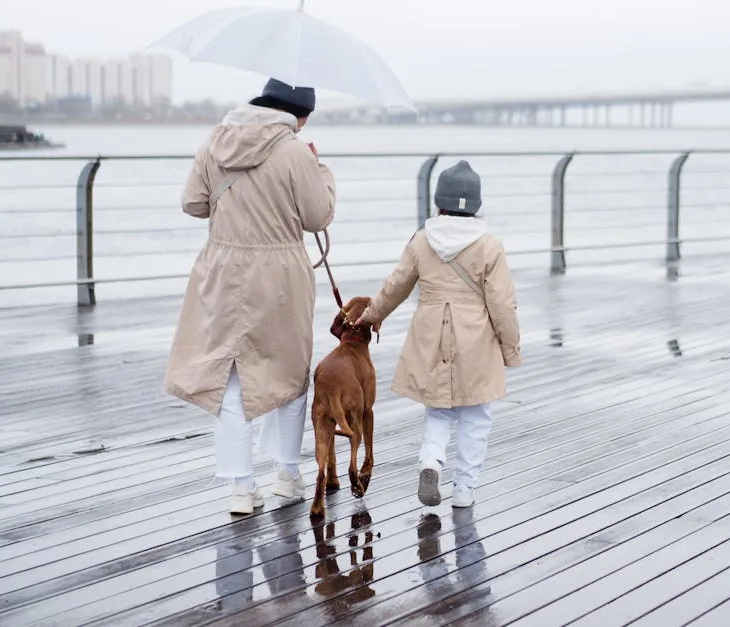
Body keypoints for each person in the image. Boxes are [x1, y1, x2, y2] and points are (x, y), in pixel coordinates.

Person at [164, 78, 337, 515]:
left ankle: (241, 487)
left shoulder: (215, 141)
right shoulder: (296, 151)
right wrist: (319, 168)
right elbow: (318, 216)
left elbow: (192, 203)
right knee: (289, 375)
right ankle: (288, 475)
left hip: (222, 270)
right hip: (280, 274)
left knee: (230, 379)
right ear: (299, 115)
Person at [356, 160, 522, 508]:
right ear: (476, 204)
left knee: (438, 410)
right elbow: (502, 304)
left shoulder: (422, 239)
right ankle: (464, 489)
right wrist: (510, 348)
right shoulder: (489, 244)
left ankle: (431, 461)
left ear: (438, 201)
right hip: (475, 338)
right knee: (476, 415)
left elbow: (396, 286)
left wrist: (371, 316)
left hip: (430, 335)